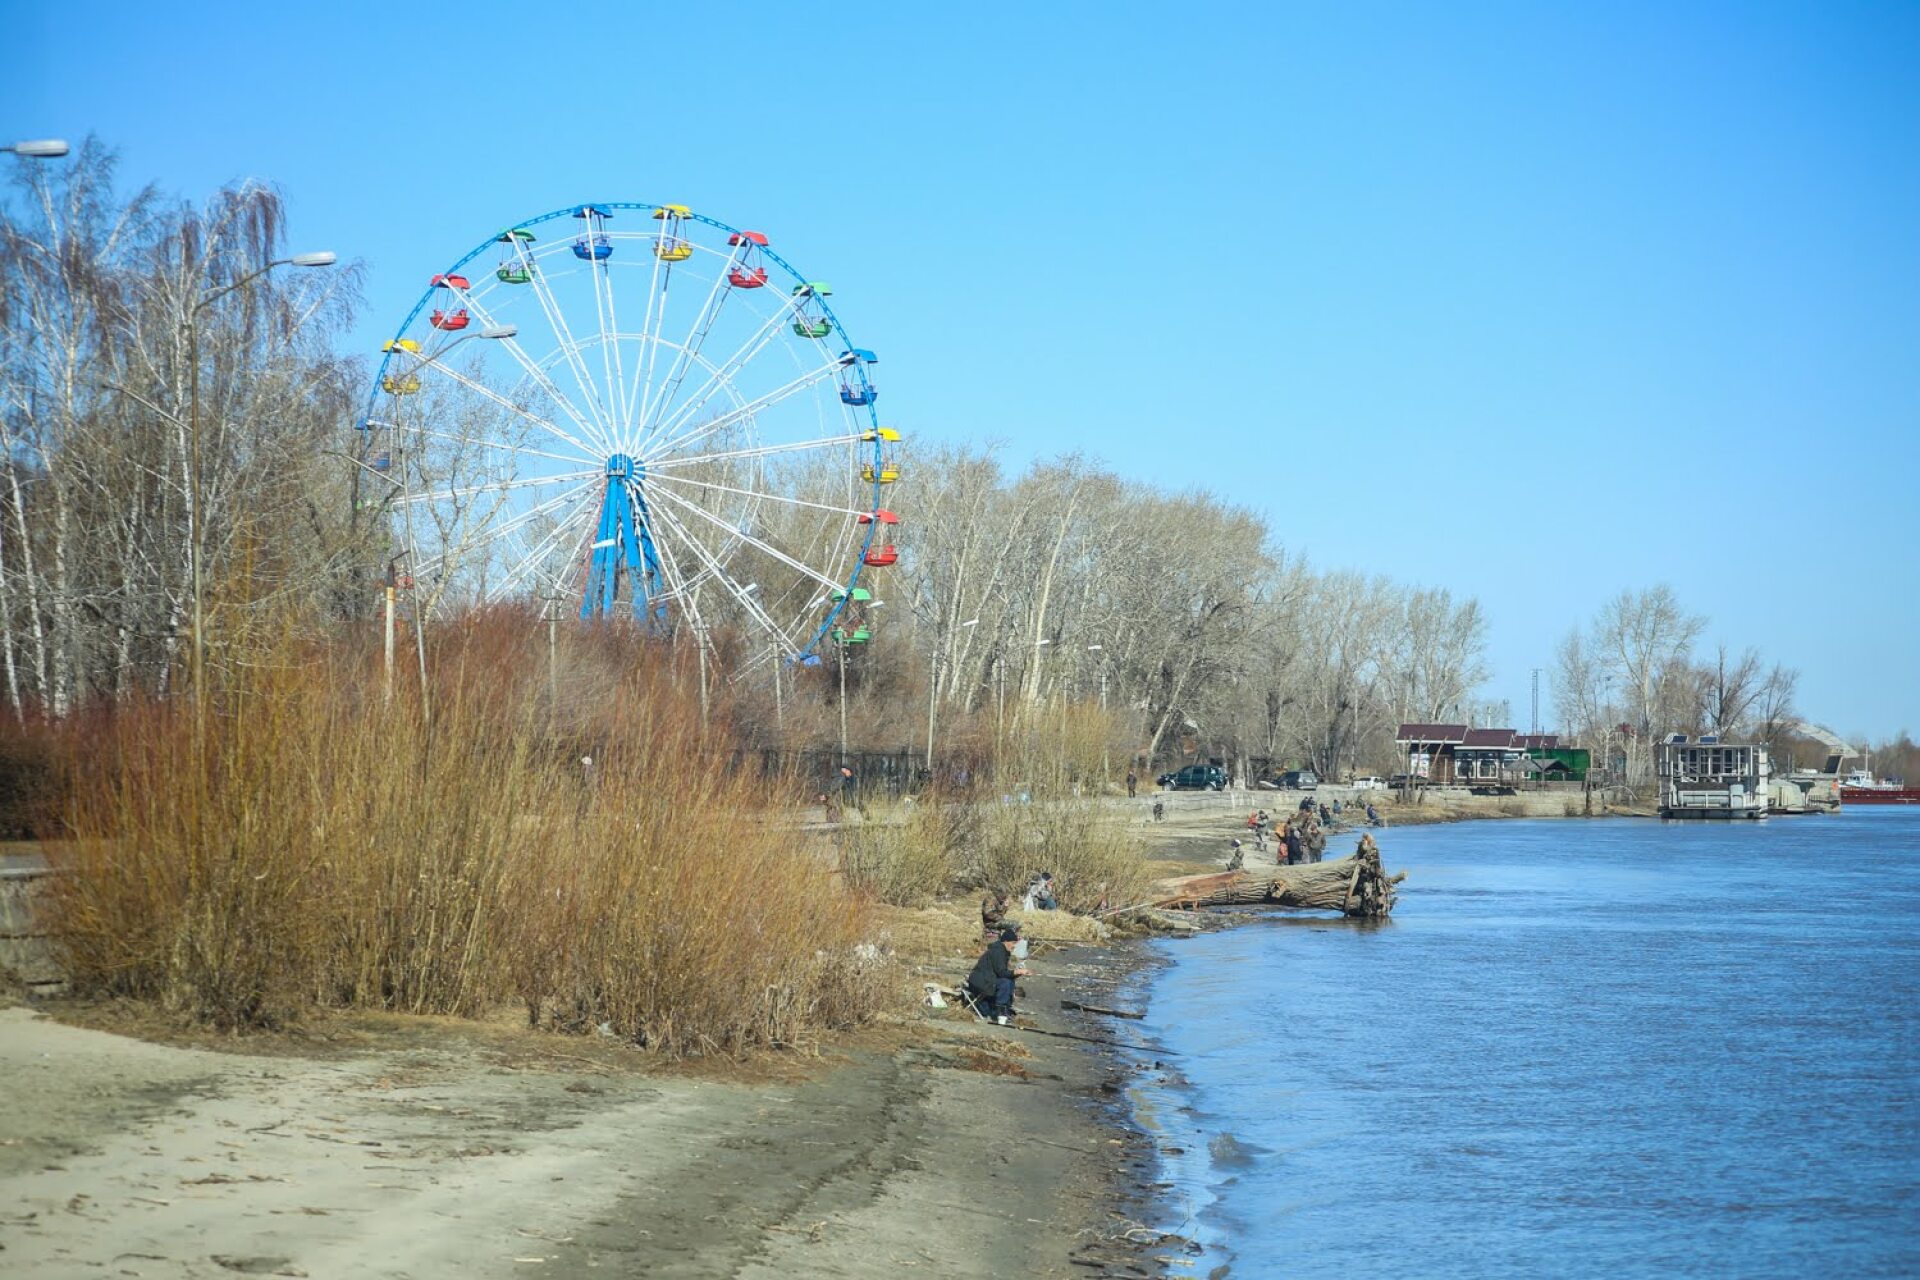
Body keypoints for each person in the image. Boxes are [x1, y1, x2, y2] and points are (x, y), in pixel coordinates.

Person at [966, 925, 1029, 1024]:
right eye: (1013, 943)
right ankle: (1001, 1012)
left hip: (987, 979)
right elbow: (1001, 973)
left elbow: (1001, 972)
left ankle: (1005, 1009)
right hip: (980, 981)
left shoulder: (1002, 951)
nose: (1014, 946)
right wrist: (1016, 972)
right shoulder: (998, 951)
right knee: (1005, 983)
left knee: (1010, 981)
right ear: (1006, 941)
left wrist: (1017, 974)